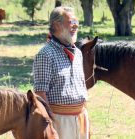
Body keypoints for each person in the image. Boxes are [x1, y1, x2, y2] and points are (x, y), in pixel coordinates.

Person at [33, 6, 89, 139]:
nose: (75, 26)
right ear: (57, 25)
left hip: (81, 117)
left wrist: (85, 114)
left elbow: (81, 86)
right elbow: (40, 93)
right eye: (71, 22)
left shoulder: (78, 53)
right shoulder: (45, 54)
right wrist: (50, 124)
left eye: (76, 22)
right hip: (59, 121)